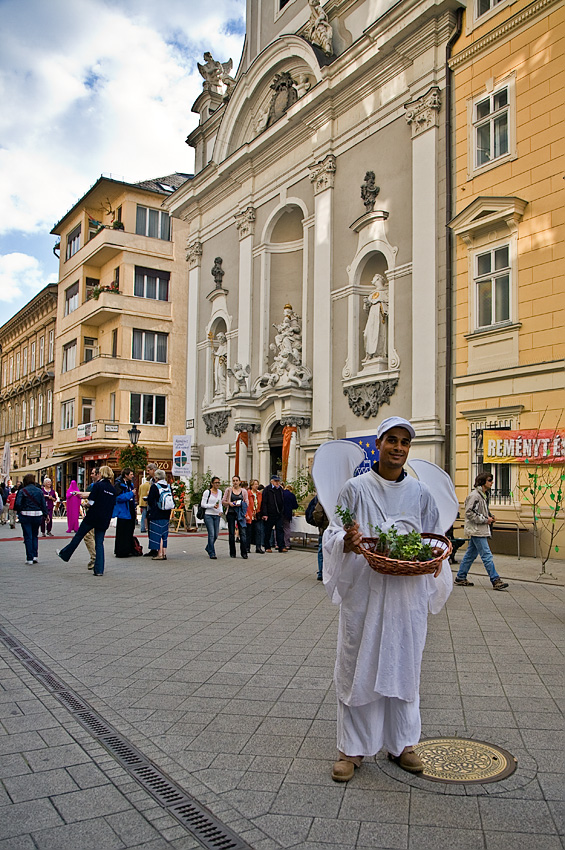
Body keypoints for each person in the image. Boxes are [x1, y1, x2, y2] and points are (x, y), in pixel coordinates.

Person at [323, 416, 453, 782]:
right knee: (357, 666)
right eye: (392, 440)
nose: (398, 448)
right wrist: (344, 544)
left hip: (405, 597)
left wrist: (432, 564)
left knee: (404, 665)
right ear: (378, 445)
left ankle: (403, 743)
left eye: (405, 442)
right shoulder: (355, 489)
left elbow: (431, 537)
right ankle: (351, 750)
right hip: (365, 593)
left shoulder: (420, 493)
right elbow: (334, 533)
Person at [57, 466, 116, 576]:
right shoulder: (112, 489)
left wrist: (86, 504)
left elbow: (92, 502)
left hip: (92, 517)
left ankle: (65, 554)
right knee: (99, 543)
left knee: (79, 536)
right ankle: (99, 570)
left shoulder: (98, 486)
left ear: (101, 474)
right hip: (104, 518)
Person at [455, 473, 509, 591]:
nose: (492, 482)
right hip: (477, 530)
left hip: (479, 529)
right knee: (486, 555)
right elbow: (469, 513)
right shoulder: (475, 496)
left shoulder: (483, 495)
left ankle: (460, 577)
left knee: (470, 555)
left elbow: (480, 511)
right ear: (482, 482)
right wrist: (485, 520)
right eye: (490, 480)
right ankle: (495, 580)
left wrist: (490, 516)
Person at [15, 474, 48, 564]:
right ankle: (35, 556)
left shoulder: (22, 491)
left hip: (25, 515)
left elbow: (17, 504)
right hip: (37, 515)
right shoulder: (39, 491)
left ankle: (29, 558)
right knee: (34, 535)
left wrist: (20, 511)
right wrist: (46, 515)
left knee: (27, 536)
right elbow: (43, 504)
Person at [146, 470, 172, 560]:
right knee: (164, 534)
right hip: (166, 512)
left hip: (157, 513)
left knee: (157, 533)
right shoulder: (168, 486)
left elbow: (150, 500)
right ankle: (164, 552)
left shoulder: (155, 486)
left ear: (156, 478)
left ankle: (159, 553)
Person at [222, 475, 248, 558]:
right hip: (231, 512)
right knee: (231, 533)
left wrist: (241, 504)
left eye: (237, 480)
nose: (235, 482)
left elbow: (246, 502)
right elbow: (223, 501)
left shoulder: (243, 491)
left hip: (240, 513)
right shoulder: (229, 490)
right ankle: (232, 552)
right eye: (233, 480)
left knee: (243, 532)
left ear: (240, 482)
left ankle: (244, 552)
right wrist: (229, 503)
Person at [113, 468, 136, 557]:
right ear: (126, 475)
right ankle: (121, 551)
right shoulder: (119, 484)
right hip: (123, 511)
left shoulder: (130, 484)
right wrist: (130, 494)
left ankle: (129, 549)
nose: (132, 476)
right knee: (122, 531)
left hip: (130, 509)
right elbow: (118, 497)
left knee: (130, 530)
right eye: (131, 474)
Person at [82, 468, 100, 570]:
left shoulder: (95, 486)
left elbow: (92, 500)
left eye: (93, 473)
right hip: (101, 516)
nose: (91, 475)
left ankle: (95, 558)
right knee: (96, 537)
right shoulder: (106, 486)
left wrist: (86, 504)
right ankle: (97, 558)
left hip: (93, 515)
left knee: (88, 536)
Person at [201, 476, 223, 559]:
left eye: (218, 482)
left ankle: (208, 547)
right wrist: (212, 506)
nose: (217, 484)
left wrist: (221, 511)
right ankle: (212, 552)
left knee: (216, 534)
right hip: (208, 514)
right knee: (211, 534)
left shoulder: (220, 492)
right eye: (216, 483)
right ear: (212, 483)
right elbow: (203, 504)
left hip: (216, 515)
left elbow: (220, 502)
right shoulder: (207, 492)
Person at [261, 475, 285, 553]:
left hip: (279, 513)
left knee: (280, 530)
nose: (277, 483)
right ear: (272, 481)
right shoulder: (267, 489)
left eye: (278, 481)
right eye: (275, 481)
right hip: (270, 513)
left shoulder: (280, 489)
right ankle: (267, 546)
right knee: (268, 530)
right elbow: (264, 502)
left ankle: (281, 546)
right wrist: (264, 513)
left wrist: (282, 511)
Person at [144, 463, 159, 557]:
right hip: (150, 506)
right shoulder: (151, 481)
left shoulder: (158, 480)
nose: (147, 472)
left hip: (157, 507)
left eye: (148, 470)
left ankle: (157, 548)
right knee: (150, 528)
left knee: (156, 528)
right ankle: (153, 548)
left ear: (153, 470)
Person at [247, 479, 264, 553]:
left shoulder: (259, 494)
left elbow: (261, 504)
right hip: (250, 514)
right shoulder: (248, 493)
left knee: (258, 531)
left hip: (257, 514)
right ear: (251, 485)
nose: (256, 486)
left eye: (257, 484)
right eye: (255, 484)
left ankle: (258, 547)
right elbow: (246, 505)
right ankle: (247, 547)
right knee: (249, 531)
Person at [282, 484, 298, 551]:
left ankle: (277, 543)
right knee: (287, 528)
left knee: (278, 528)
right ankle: (287, 544)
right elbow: (295, 505)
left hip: (280, 513)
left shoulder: (281, 493)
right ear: (291, 490)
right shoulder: (291, 495)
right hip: (287, 513)